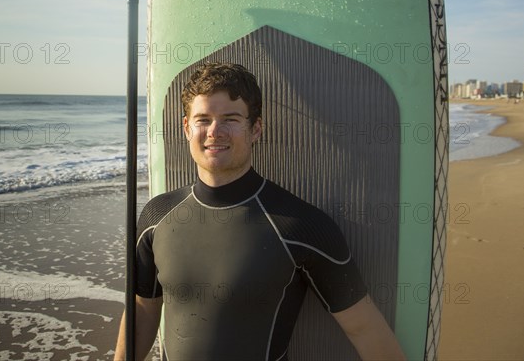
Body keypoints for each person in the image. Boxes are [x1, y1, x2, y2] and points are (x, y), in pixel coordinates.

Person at [114, 63, 406, 361]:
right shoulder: (156, 216)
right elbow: (143, 308)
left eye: (230, 119)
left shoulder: (301, 226)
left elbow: (364, 328)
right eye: (203, 119)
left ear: (255, 128)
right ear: (187, 127)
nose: (214, 131)